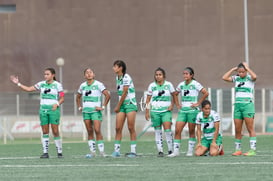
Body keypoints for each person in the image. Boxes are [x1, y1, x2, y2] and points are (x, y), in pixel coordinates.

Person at [10, 68, 64, 159]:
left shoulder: (58, 85)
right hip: (43, 110)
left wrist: (57, 103)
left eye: (48, 74)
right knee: (45, 131)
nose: (45, 76)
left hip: (53, 111)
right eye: (45, 74)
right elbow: (28, 89)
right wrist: (18, 83)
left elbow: (62, 98)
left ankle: (59, 152)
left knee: (55, 131)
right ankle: (45, 153)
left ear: (53, 75)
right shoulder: (41, 84)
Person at [168, 67, 209, 157]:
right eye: (184, 74)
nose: (185, 75)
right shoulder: (181, 84)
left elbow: (206, 93)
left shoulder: (195, 84)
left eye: (187, 74)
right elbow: (175, 94)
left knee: (191, 130)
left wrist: (198, 103)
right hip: (183, 111)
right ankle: (176, 151)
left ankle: (190, 151)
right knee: (177, 130)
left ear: (191, 75)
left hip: (192, 111)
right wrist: (177, 105)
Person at [222, 62, 257, 156]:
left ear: (246, 71)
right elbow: (224, 77)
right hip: (237, 106)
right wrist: (233, 69)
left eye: (243, 72)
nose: (241, 74)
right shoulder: (236, 78)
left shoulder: (250, 78)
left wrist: (248, 68)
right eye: (239, 72)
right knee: (238, 129)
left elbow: (255, 76)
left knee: (250, 128)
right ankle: (238, 149)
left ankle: (252, 150)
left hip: (247, 106)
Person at [76, 68, 110, 158]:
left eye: (90, 72)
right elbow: (78, 97)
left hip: (95, 111)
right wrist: (79, 107)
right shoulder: (82, 85)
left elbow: (107, 95)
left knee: (97, 130)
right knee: (89, 131)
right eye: (87, 73)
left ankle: (102, 152)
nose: (89, 74)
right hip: (86, 112)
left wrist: (102, 107)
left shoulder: (99, 84)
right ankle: (92, 152)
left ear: (93, 74)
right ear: (84, 76)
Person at [145, 67, 176, 157]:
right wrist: (147, 111)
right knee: (158, 131)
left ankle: (170, 150)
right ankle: (160, 151)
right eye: (156, 75)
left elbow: (174, 95)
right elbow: (148, 99)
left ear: (164, 76)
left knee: (167, 130)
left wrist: (172, 105)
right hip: (155, 111)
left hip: (166, 111)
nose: (158, 76)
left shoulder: (169, 85)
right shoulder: (152, 86)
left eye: (160, 75)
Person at [111, 60, 138, 157]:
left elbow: (125, 92)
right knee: (118, 128)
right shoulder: (117, 77)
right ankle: (116, 151)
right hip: (122, 105)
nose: (113, 68)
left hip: (130, 104)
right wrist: (120, 105)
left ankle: (133, 151)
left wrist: (118, 105)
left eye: (115, 66)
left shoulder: (126, 77)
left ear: (120, 68)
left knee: (131, 127)